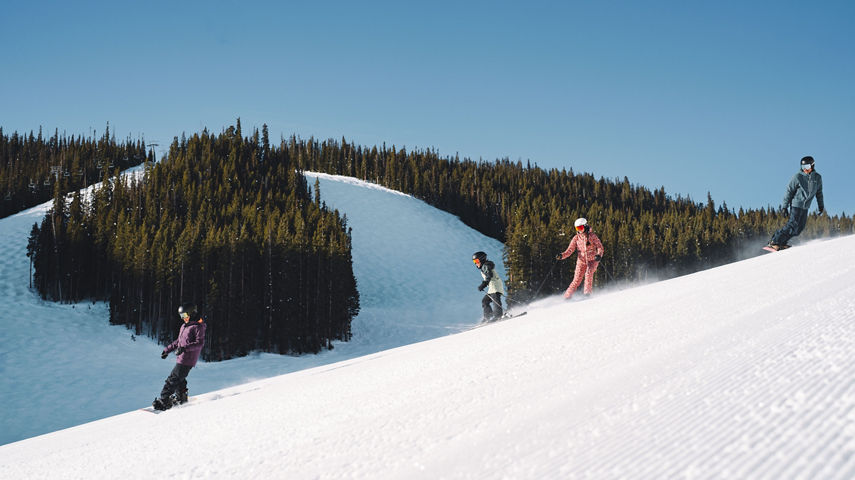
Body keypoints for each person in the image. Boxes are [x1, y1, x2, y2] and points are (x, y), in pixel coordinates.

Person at [153, 303, 206, 411]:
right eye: (181, 316)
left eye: (185, 315)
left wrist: (184, 348)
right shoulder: (184, 326)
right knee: (179, 379)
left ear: (191, 313)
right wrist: (167, 350)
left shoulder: (198, 327)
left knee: (173, 379)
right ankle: (181, 398)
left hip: (188, 358)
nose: (183, 318)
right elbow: (178, 342)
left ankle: (164, 400)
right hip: (182, 357)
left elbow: (199, 343)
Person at [766, 156, 824, 251]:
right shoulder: (798, 177)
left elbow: (819, 193)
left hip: (805, 207)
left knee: (799, 229)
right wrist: (784, 207)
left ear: (812, 166)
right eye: (803, 167)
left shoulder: (817, 178)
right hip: (796, 205)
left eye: (807, 166)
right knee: (792, 225)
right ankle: (775, 241)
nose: (805, 169)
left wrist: (821, 206)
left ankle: (782, 242)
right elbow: (789, 191)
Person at [556, 217, 605, 299]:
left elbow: (600, 247)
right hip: (581, 261)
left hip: (593, 260)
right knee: (576, 279)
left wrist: (599, 255)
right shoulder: (576, 238)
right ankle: (567, 296)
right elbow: (569, 250)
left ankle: (587, 294)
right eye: (577, 228)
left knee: (588, 273)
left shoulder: (592, 236)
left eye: (580, 228)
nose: (579, 230)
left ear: (585, 226)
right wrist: (561, 255)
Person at [472, 251, 504, 322]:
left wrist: (483, 284)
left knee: (495, 300)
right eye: (474, 261)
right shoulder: (484, 266)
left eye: (476, 260)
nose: (475, 263)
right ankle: (488, 317)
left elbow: (489, 275)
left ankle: (498, 316)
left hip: (495, 286)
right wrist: (484, 284)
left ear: (481, 259)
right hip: (492, 287)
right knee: (485, 301)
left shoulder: (486, 266)